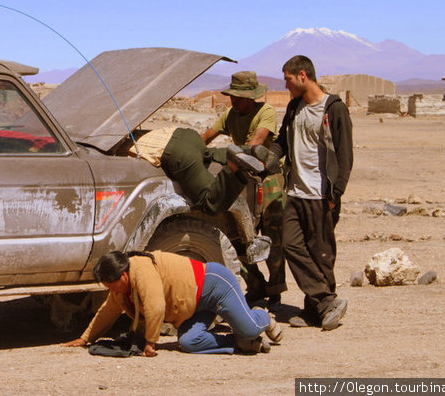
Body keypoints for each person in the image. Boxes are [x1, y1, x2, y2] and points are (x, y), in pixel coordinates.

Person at [268, 55, 353, 330]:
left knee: (321, 254)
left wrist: (335, 193)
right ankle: (326, 301)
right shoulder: (294, 107)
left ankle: (316, 309)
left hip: (320, 195)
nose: (287, 87)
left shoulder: (334, 109)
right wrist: (264, 159)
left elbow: (345, 155)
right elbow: (282, 142)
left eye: (288, 81)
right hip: (295, 192)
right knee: (291, 245)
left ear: (302, 76)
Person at [62, 250, 283, 355]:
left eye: (111, 286)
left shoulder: (140, 269)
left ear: (122, 276)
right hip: (194, 307)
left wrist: (150, 341)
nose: (111, 292)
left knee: (248, 328)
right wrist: (85, 338)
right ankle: (242, 344)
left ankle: (261, 316)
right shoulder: (121, 288)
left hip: (215, 285)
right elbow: (108, 311)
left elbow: (155, 304)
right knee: (188, 342)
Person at [201, 71, 286, 307]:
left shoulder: (265, 112)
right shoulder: (230, 114)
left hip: (268, 181)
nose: (233, 102)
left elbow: (255, 143)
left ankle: (276, 288)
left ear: (250, 97)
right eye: (232, 97)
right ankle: (256, 284)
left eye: (238, 98)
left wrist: (230, 153)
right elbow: (206, 136)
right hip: (242, 179)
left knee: (273, 234)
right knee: (238, 234)